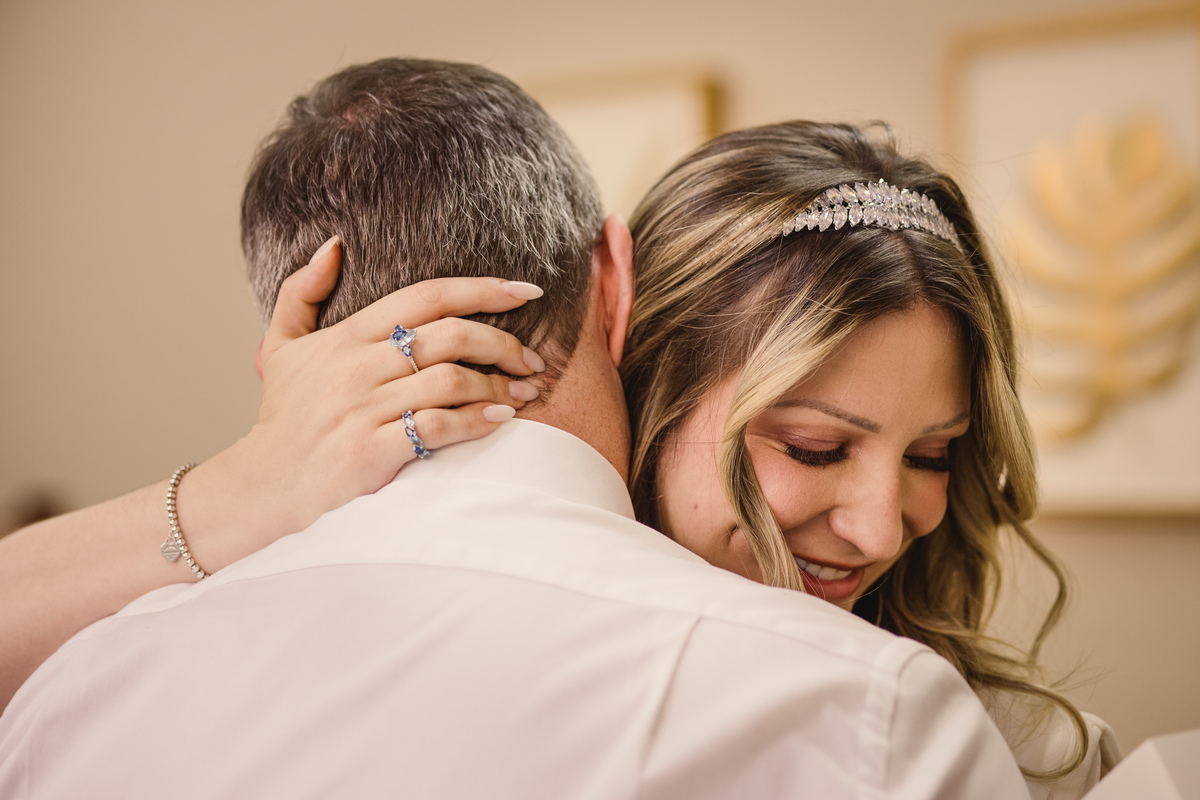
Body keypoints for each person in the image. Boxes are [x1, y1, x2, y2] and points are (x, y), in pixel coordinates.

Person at [0, 59, 1029, 799]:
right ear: (622, 292)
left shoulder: (76, 695)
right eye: (812, 446)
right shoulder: (874, 717)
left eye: (935, 453)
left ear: (283, 346)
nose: (883, 526)